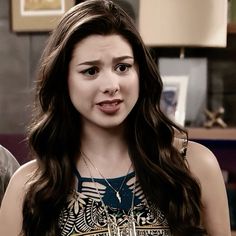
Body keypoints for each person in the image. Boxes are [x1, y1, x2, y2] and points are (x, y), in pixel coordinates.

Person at [0, 0, 230, 235]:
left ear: (140, 72)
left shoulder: (196, 167)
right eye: (91, 71)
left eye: (122, 67)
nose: (111, 85)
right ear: (63, 80)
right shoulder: (28, 187)